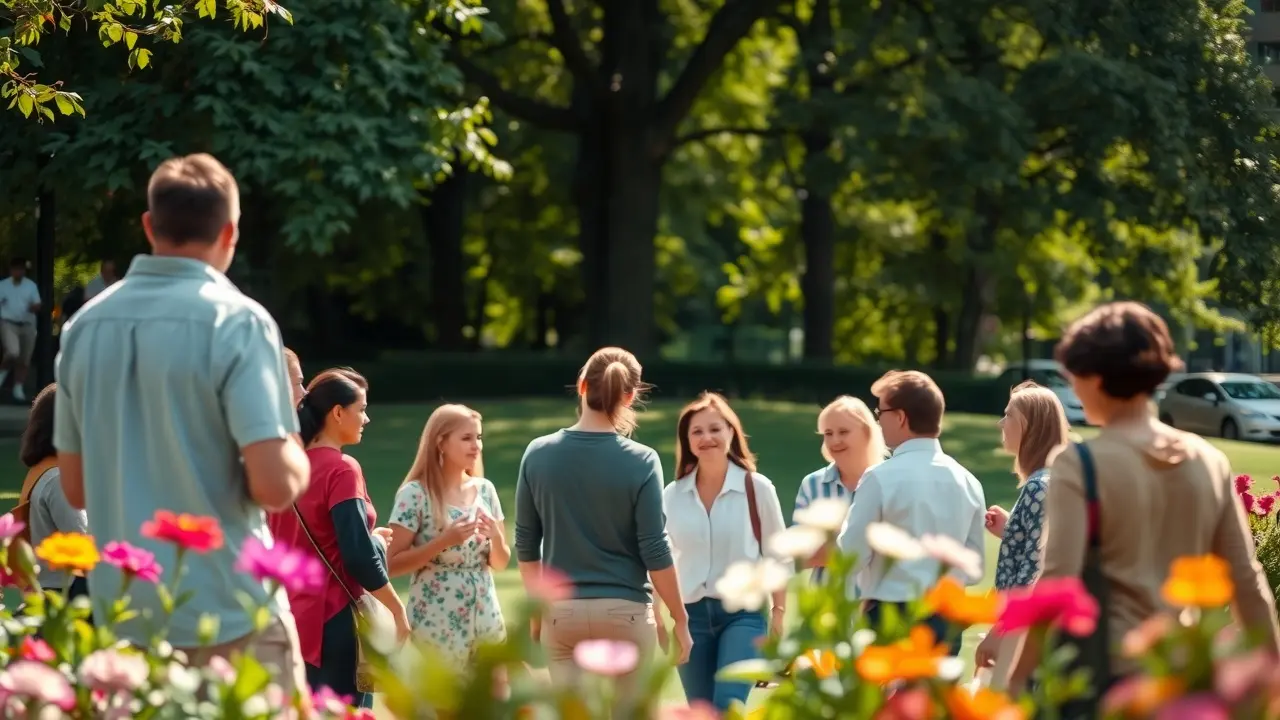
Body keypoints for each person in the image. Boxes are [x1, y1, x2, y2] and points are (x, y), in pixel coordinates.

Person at [53, 153, 311, 696]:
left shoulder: (83, 329)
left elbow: (76, 488)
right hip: (233, 614)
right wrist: (292, 444)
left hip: (128, 623)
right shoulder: (238, 321)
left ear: (149, 225)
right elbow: (274, 485)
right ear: (230, 232)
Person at [1007, 302, 1280, 699]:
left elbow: (1057, 582)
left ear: (1096, 377)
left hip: (1112, 678)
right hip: (1184, 679)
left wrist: (1016, 679)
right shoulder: (1208, 460)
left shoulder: (1078, 463)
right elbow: (1246, 582)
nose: (1073, 387)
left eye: (1075, 374)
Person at [514, 347, 691, 703]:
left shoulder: (538, 453)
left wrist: (536, 616)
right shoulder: (642, 460)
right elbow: (654, 548)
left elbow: (526, 545)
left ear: (581, 385)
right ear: (629, 397)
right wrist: (680, 619)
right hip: (626, 612)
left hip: (561, 615)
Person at [267, 369, 410, 707]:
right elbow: (356, 555)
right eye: (361, 409)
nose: (367, 419)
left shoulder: (285, 469)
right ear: (337, 413)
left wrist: (373, 541)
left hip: (289, 617)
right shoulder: (342, 469)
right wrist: (397, 609)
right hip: (335, 622)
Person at [835, 370, 986, 654]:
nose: (878, 421)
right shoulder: (968, 481)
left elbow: (851, 556)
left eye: (880, 413)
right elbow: (974, 567)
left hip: (889, 617)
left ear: (901, 417)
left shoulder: (880, 477)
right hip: (946, 617)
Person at [660, 392, 787, 712]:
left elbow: (778, 554)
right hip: (690, 619)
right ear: (687, 440)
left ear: (731, 432)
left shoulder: (757, 488)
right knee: (702, 712)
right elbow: (660, 557)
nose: (707, 438)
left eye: (715, 429)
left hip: (744, 616)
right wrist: (662, 616)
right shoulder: (673, 495)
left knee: (728, 707)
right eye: (697, 431)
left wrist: (779, 613)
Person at [386, 404, 509, 669]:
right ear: (440, 443)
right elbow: (390, 564)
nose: (476, 446)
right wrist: (443, 542)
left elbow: (500, 563)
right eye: (466, 438)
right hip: (436, 623)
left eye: (478, 437)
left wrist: (496, 539)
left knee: (495, 692)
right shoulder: (415, 494)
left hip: (486, 617)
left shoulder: (486, 490)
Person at [973, 381, 1069, 685]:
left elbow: (1033, 573)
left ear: (1029, 426)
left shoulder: (1038, 487)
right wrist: (1012, 529)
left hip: (1021, 635)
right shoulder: (1050, 481)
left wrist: (999, 632)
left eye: (1009, 415)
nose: (1001, 423)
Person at [794, 395, 886, 583]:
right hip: (826, 599)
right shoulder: (812, 484)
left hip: (878, 599)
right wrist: (864, 547)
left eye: (843, 432)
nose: (835, 440)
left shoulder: (890, 482)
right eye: (828, 433)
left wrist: (829, 546)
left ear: (867, 433)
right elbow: (799, 555)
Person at [16, 383, 89, 600]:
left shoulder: (43, 470)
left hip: (45, 587)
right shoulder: (57, 478)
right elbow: (82, 542)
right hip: (65, 594)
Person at [0, 257, 41, 402]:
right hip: (8, 323)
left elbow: (37, 304)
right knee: (13, 352)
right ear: (11, 270)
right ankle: (1, 376)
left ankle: (18, 388)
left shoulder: (30, 286)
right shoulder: (3, 286)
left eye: (21, 269)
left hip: (28, 324)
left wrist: (34, 307)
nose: (18, 272)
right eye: (16, 269)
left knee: (24, 359)